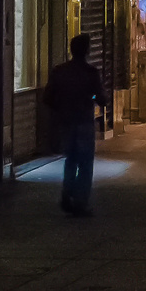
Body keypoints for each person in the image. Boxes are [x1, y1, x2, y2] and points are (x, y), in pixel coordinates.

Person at [42, 34, 105, 216]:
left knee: (70, 160)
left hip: (66, 122)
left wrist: (60, 109)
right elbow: (102, 98)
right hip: (84, 122)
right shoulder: (90, 73)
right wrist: (92, 98)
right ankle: (80, 202)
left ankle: (67, 194)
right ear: (87, 51)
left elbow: (47, 97)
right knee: (85, 163)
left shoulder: (59, 71)